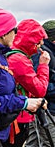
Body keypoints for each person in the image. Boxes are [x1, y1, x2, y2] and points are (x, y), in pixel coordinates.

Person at [0, 9, 44, 147]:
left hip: (0, 129)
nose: (16, 34)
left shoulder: (0, 54)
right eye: (14, 29)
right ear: (3, 33)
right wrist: (24, 103)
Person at [7, 19, 50, 147]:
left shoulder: (15, 54)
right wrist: (43, 65)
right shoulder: (19, 59)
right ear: (30, 41)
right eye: (38, 42)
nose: (40, 45)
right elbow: (40, 90)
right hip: (18, 118)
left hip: (17, 114)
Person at [25, 20, 55, 147]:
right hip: (46, 108)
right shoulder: (42, 53)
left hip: (44, 107)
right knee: (50, 142)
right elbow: (36, 83)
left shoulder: (49, 51)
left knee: (34, 142)